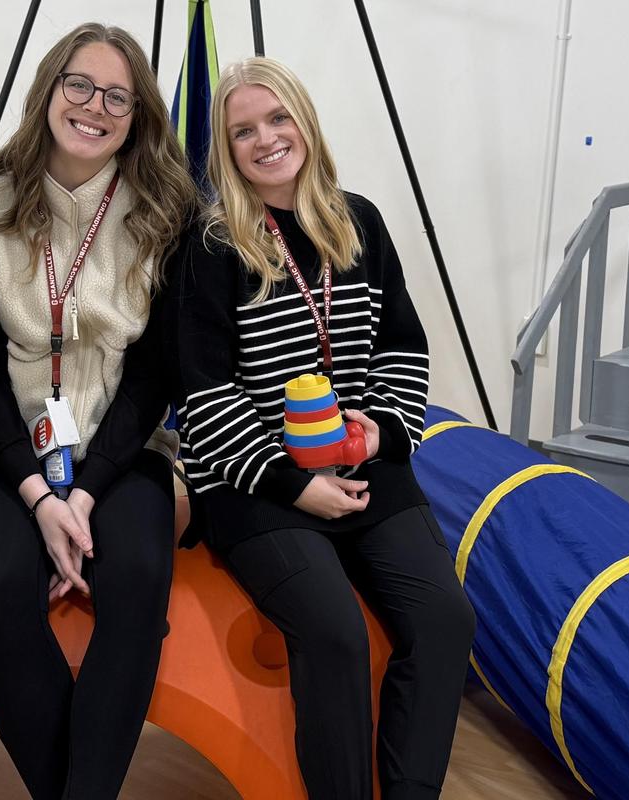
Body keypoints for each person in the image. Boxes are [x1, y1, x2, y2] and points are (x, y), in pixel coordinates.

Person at [169, 56, 477, 800]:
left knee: (445, 621)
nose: (266, 139)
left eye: (278, 118)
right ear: (226, 150)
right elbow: (203, 395)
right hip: (255, 482)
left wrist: (384, 435)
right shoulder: (212, 245)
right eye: (243, 131)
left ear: (305, 123)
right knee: (335, 633)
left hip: (363, 465)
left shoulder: (358, 220)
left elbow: (402, 344)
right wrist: (293, 485)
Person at [0, 21, 197, 800]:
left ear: (138, 114)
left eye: (118, 96)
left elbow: (153, 376)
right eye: (80, 85)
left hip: (122, 452)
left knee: (140, 577)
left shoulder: (168, 213)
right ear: (49, 90)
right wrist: (38, 496)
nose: (95, 107)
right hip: (0, 454)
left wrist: (82, 496)